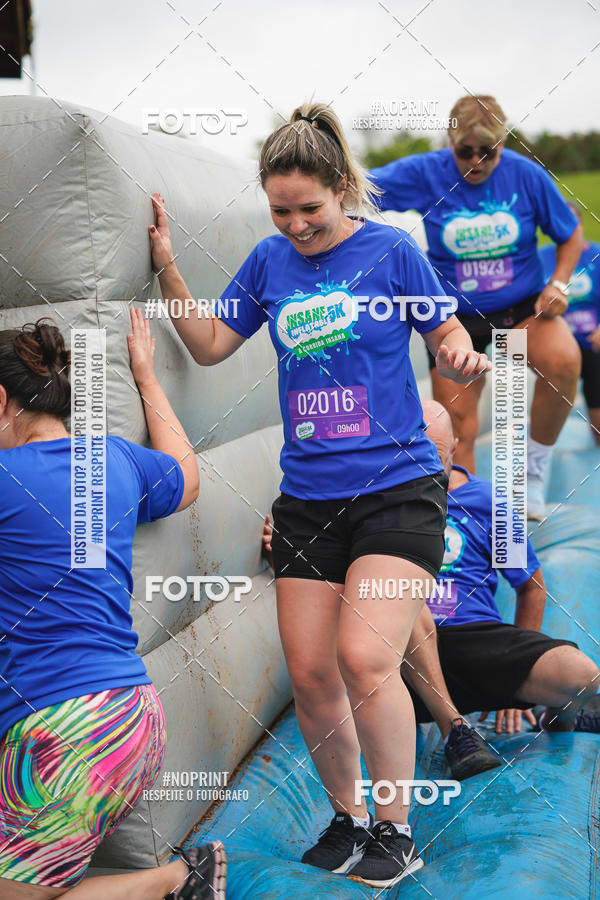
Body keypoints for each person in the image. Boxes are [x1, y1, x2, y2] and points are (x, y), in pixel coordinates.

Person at [149, 100, 491, 888]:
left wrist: (461, 352)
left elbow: (444, 333)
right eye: (281, 210)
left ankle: (396, 829)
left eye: (310, 208)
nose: (296, 225)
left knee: (366, 654)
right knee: (310, 673)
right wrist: (167, 265)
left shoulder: (392, 252)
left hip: (398, 490)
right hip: (307, 500)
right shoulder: (270, 263)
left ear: (342, 187)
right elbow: (207, 346)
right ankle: (347, 817)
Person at [0, 311, 226, 900]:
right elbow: (187, 475)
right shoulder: (114, 461)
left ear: (1, 401)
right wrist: (148, 378)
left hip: (65, 729)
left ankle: (176, 882)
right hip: (133, 718)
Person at [369, 94, 584, 519]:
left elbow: (570, 234)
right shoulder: (424, 172)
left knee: (563, 362)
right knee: (458, 423)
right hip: (454, 320)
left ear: (503, 144)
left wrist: (559, 283)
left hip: (521, 311)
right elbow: (355, 185)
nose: (475, 161)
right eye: (464, 151)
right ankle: (465, 513)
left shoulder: (527, 176)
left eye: (488, 152)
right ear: (449, 142)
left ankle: (532, 476)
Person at [401, 400, 600, 776]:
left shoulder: (487, 501)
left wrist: (514, 686)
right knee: (408, 603)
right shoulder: (380, 502)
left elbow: (531, 588)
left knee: (582, 675)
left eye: (436, 458)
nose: (425, 471)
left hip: (479, 640)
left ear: (455, 449)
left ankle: (560, 719)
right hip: (409, 649)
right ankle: (456, 730)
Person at [539, 202, 600, 445]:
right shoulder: (541, 258)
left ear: (581, 225)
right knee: (549, 415)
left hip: (592, 342)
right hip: (555, 346)